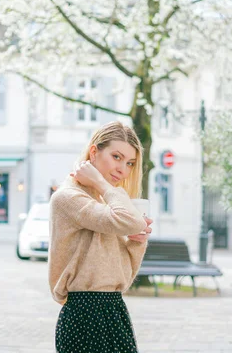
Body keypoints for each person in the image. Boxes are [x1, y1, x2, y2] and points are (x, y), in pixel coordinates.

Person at [49, 121, 153, 353]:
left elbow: (124, 277)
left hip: (114, 310)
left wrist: (136, 242)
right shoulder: (69, 198)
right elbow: (132, 220)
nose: (123, 170)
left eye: (130, 163)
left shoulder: (106, 203)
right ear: (94, 152)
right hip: (85, 315)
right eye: (116, 157)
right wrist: (101, 183)